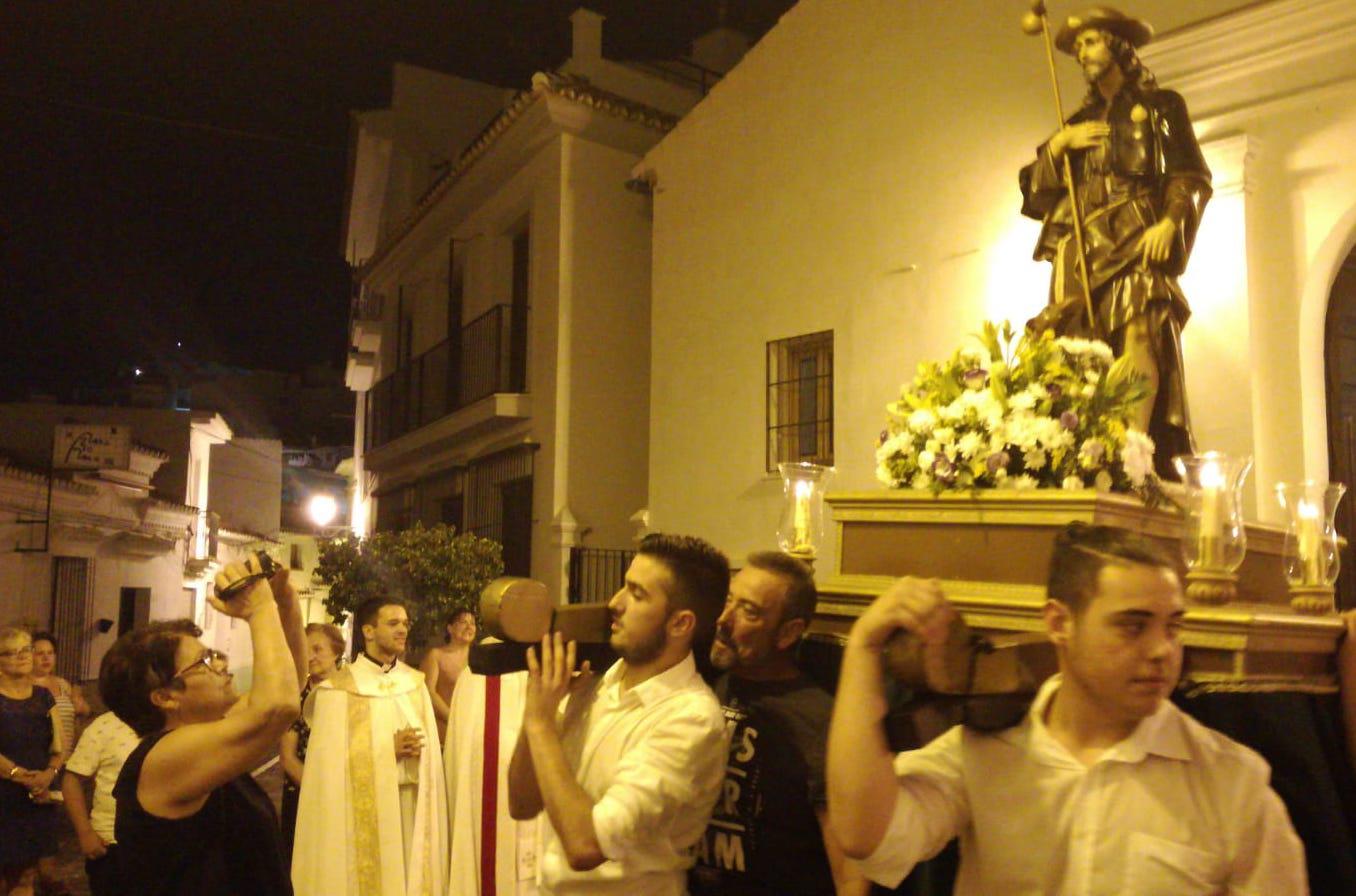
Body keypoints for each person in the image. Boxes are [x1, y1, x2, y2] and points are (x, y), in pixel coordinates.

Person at [826, 522, 1308, 894]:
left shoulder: (1232, 782)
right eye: (1133, 626)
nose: (1163, 650)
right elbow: (865, 834)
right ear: (1060, 623)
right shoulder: (986, 750)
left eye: (1172, 627)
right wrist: (864, 647)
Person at [1019, 7, 1211, 475]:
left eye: (1091, 42)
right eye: (1079, 45)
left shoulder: (1163, 105)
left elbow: (1189, 173)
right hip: (1084, 245)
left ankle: (1135, 451)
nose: (1082, 52)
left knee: (1141, 330)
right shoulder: (1078, 120)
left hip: (1137, 232)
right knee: (1081, 351)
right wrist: (1059, 146)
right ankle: (1087, 449)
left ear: (1118, 46)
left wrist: (1169, 222)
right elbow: (1036, 190)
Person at [507, 533, 730, 896]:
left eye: (637, 594)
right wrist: (539, 714)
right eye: (623, 588)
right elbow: (522, 802)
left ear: (680, 624)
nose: (615, 602)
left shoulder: (690, 720)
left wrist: (541, 723)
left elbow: (586, 847)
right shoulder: (597, 684)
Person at [101, 554, 305, 896]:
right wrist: (258, 609)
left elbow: (290, 683)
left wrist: (286, 603)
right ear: (165, 697)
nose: (221, 666)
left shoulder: (209, 735)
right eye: (204, 662)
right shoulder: (165, 757)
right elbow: (278, 706)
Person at [691, 552, 868, 896]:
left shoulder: (818, 718)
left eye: (749, 611)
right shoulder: (706, 687)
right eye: (729, 600)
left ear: (788, 633)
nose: (724, 619)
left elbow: (851, 869)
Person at [292, 598, 448, 896]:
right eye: (393, 623)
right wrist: (386, 749)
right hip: (360, 818)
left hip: (411, 809)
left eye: (405, 623)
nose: (403, 629)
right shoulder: (337, 691)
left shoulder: (415, 684)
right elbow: (327, 769)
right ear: (369, 631)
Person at [0, 627, 64, 896]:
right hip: (4, 793)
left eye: (26, 649)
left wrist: (49, 775)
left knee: (26, 874)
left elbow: (59, 747)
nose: (22, 656)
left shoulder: (43, 696)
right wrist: (18, 774)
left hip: (37, 795)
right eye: (11, 652)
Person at [60, 703, 146, 896]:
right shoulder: (105, 724)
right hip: (111, 841)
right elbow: (72, 779)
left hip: (165, 839)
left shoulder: (176, 721)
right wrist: (85, 833)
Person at [278, 622, 344, 866]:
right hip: (303, 795)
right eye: (306, 650)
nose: (310, 656)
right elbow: (287, 757)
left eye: (318, 649)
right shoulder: (296, 698)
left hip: (347, 792)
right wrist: (320, 791)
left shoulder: (354, 693)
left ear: (336, 651)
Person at [421, 608, 477, 742]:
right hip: (445, 732)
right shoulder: (436, 655)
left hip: (474, 731)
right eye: (463, 622)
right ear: (450, 628)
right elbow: (428, 692)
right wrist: (454, 720)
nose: (469, 626)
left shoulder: (480, 657)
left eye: (473, 623)